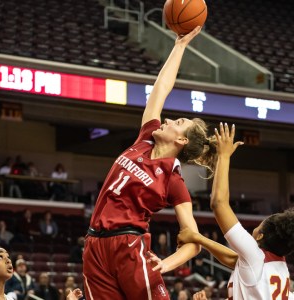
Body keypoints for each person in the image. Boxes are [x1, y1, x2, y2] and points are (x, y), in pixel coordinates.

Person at [83, 26, 211, 300]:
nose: (166, 120)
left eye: (177, 123)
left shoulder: (173, 180)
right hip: (94, 244)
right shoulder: (145, 138)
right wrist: (180, 45)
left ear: (182, 142)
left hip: (129, 244)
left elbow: (193, 241)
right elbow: (161, 88)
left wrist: (166, 264)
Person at [171, 123, 294, 299]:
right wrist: (197, 238)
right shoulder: (275, 265)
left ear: (260, 236)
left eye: (259, 225)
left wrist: (223, 157)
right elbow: (235, 260)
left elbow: (219, 203)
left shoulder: (255, 257)